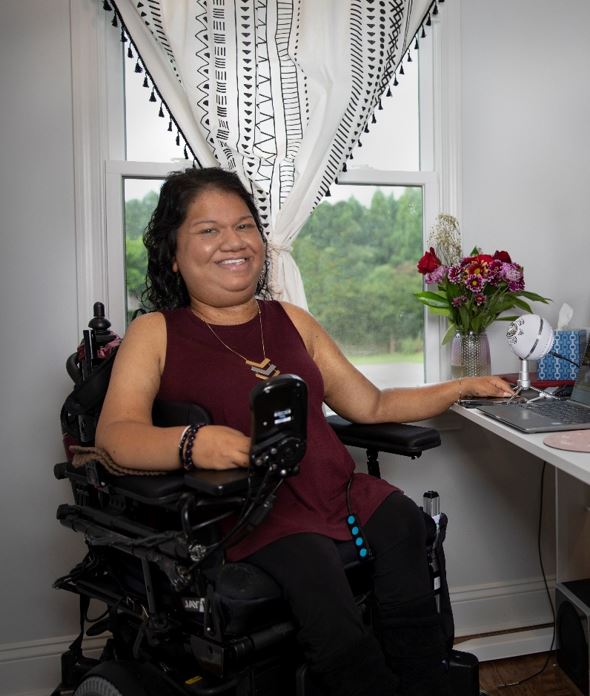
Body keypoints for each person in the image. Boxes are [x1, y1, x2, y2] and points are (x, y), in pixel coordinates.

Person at [96, 167, 513, 696]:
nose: (233, 242)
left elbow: (373, 402)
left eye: (244, 226)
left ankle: (423, 680)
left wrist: (463, 387)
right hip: (258, 512)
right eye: (208, 230)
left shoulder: (291, 319)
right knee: (318, 579)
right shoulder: (156, 332)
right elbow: (115, 435)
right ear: (174, 255)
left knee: (407, 523)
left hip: (335, 489)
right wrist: (197, 442)